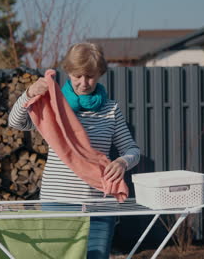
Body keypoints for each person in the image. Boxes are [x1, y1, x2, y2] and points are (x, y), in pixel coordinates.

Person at [8, 42, 140, 259]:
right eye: (78, 75)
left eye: (90, 76)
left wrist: (122, 162)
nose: (84, 83)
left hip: (98, 205)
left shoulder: (111, 109)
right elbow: (15, 122)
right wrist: (29, 93)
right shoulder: (53, 107)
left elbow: (132, 149)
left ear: (99, 74)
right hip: (58, 202)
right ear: (68, 72)